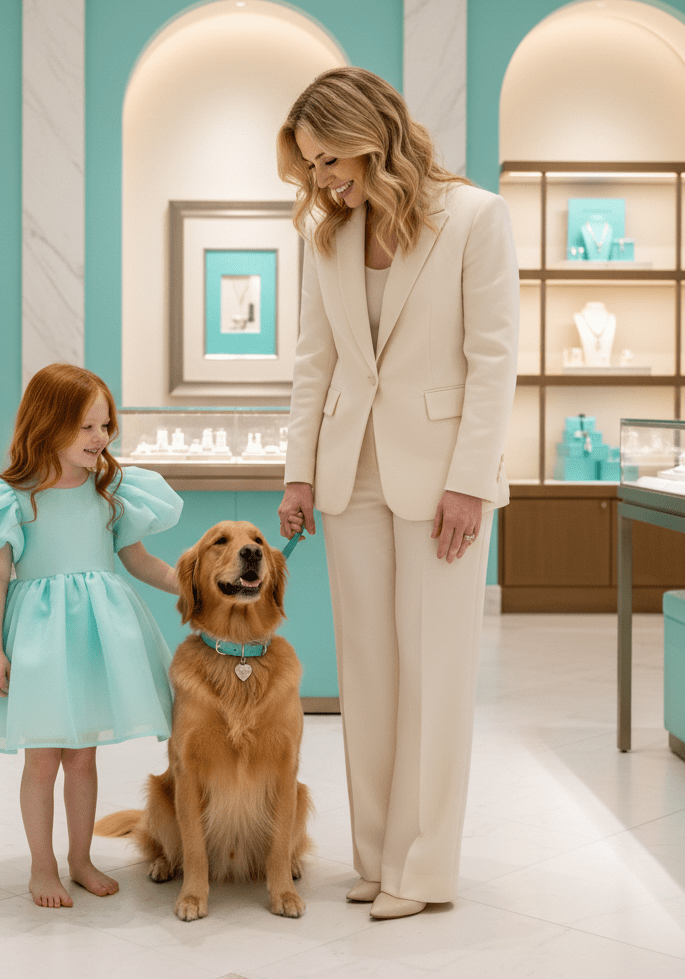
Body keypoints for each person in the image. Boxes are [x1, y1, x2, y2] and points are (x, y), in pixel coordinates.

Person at [275, 67, 519, 919]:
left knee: (436, 675)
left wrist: (469, 481)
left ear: (371, 137)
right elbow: (316, 363)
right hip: (351, 478)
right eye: (310, 167)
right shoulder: (328, 237)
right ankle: (377, 857)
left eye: (329, 159)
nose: (321, 180)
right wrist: (298, 471)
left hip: (444, 478)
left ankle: (424, 870)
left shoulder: (477, 218)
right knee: (370, 675)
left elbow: (494, 365)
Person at [0, 363, 182, 909]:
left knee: (82, 759)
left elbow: (139, 560)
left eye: (105, 426)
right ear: (48, 424)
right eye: (86, 427)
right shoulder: (10, 497)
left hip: (92, 639)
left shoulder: (111, 492)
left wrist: (192, 587)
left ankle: (80, 859)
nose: (100, 439)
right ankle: (43, 866)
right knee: (42, 761)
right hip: (37, 640)